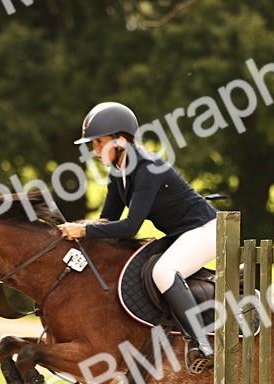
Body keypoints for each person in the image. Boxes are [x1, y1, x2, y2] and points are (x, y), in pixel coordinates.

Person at [58, 101, 217, 363]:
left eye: (99, 143)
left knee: (163, 272)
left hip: (207, 231)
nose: (95, 151)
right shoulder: (117, 172)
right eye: (93, 144)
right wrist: (73, 228)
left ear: (119, 140)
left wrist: (83, 231)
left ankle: (203, 345)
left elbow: (131, 226)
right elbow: (108, 219)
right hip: (182, 234)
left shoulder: (147, 169)